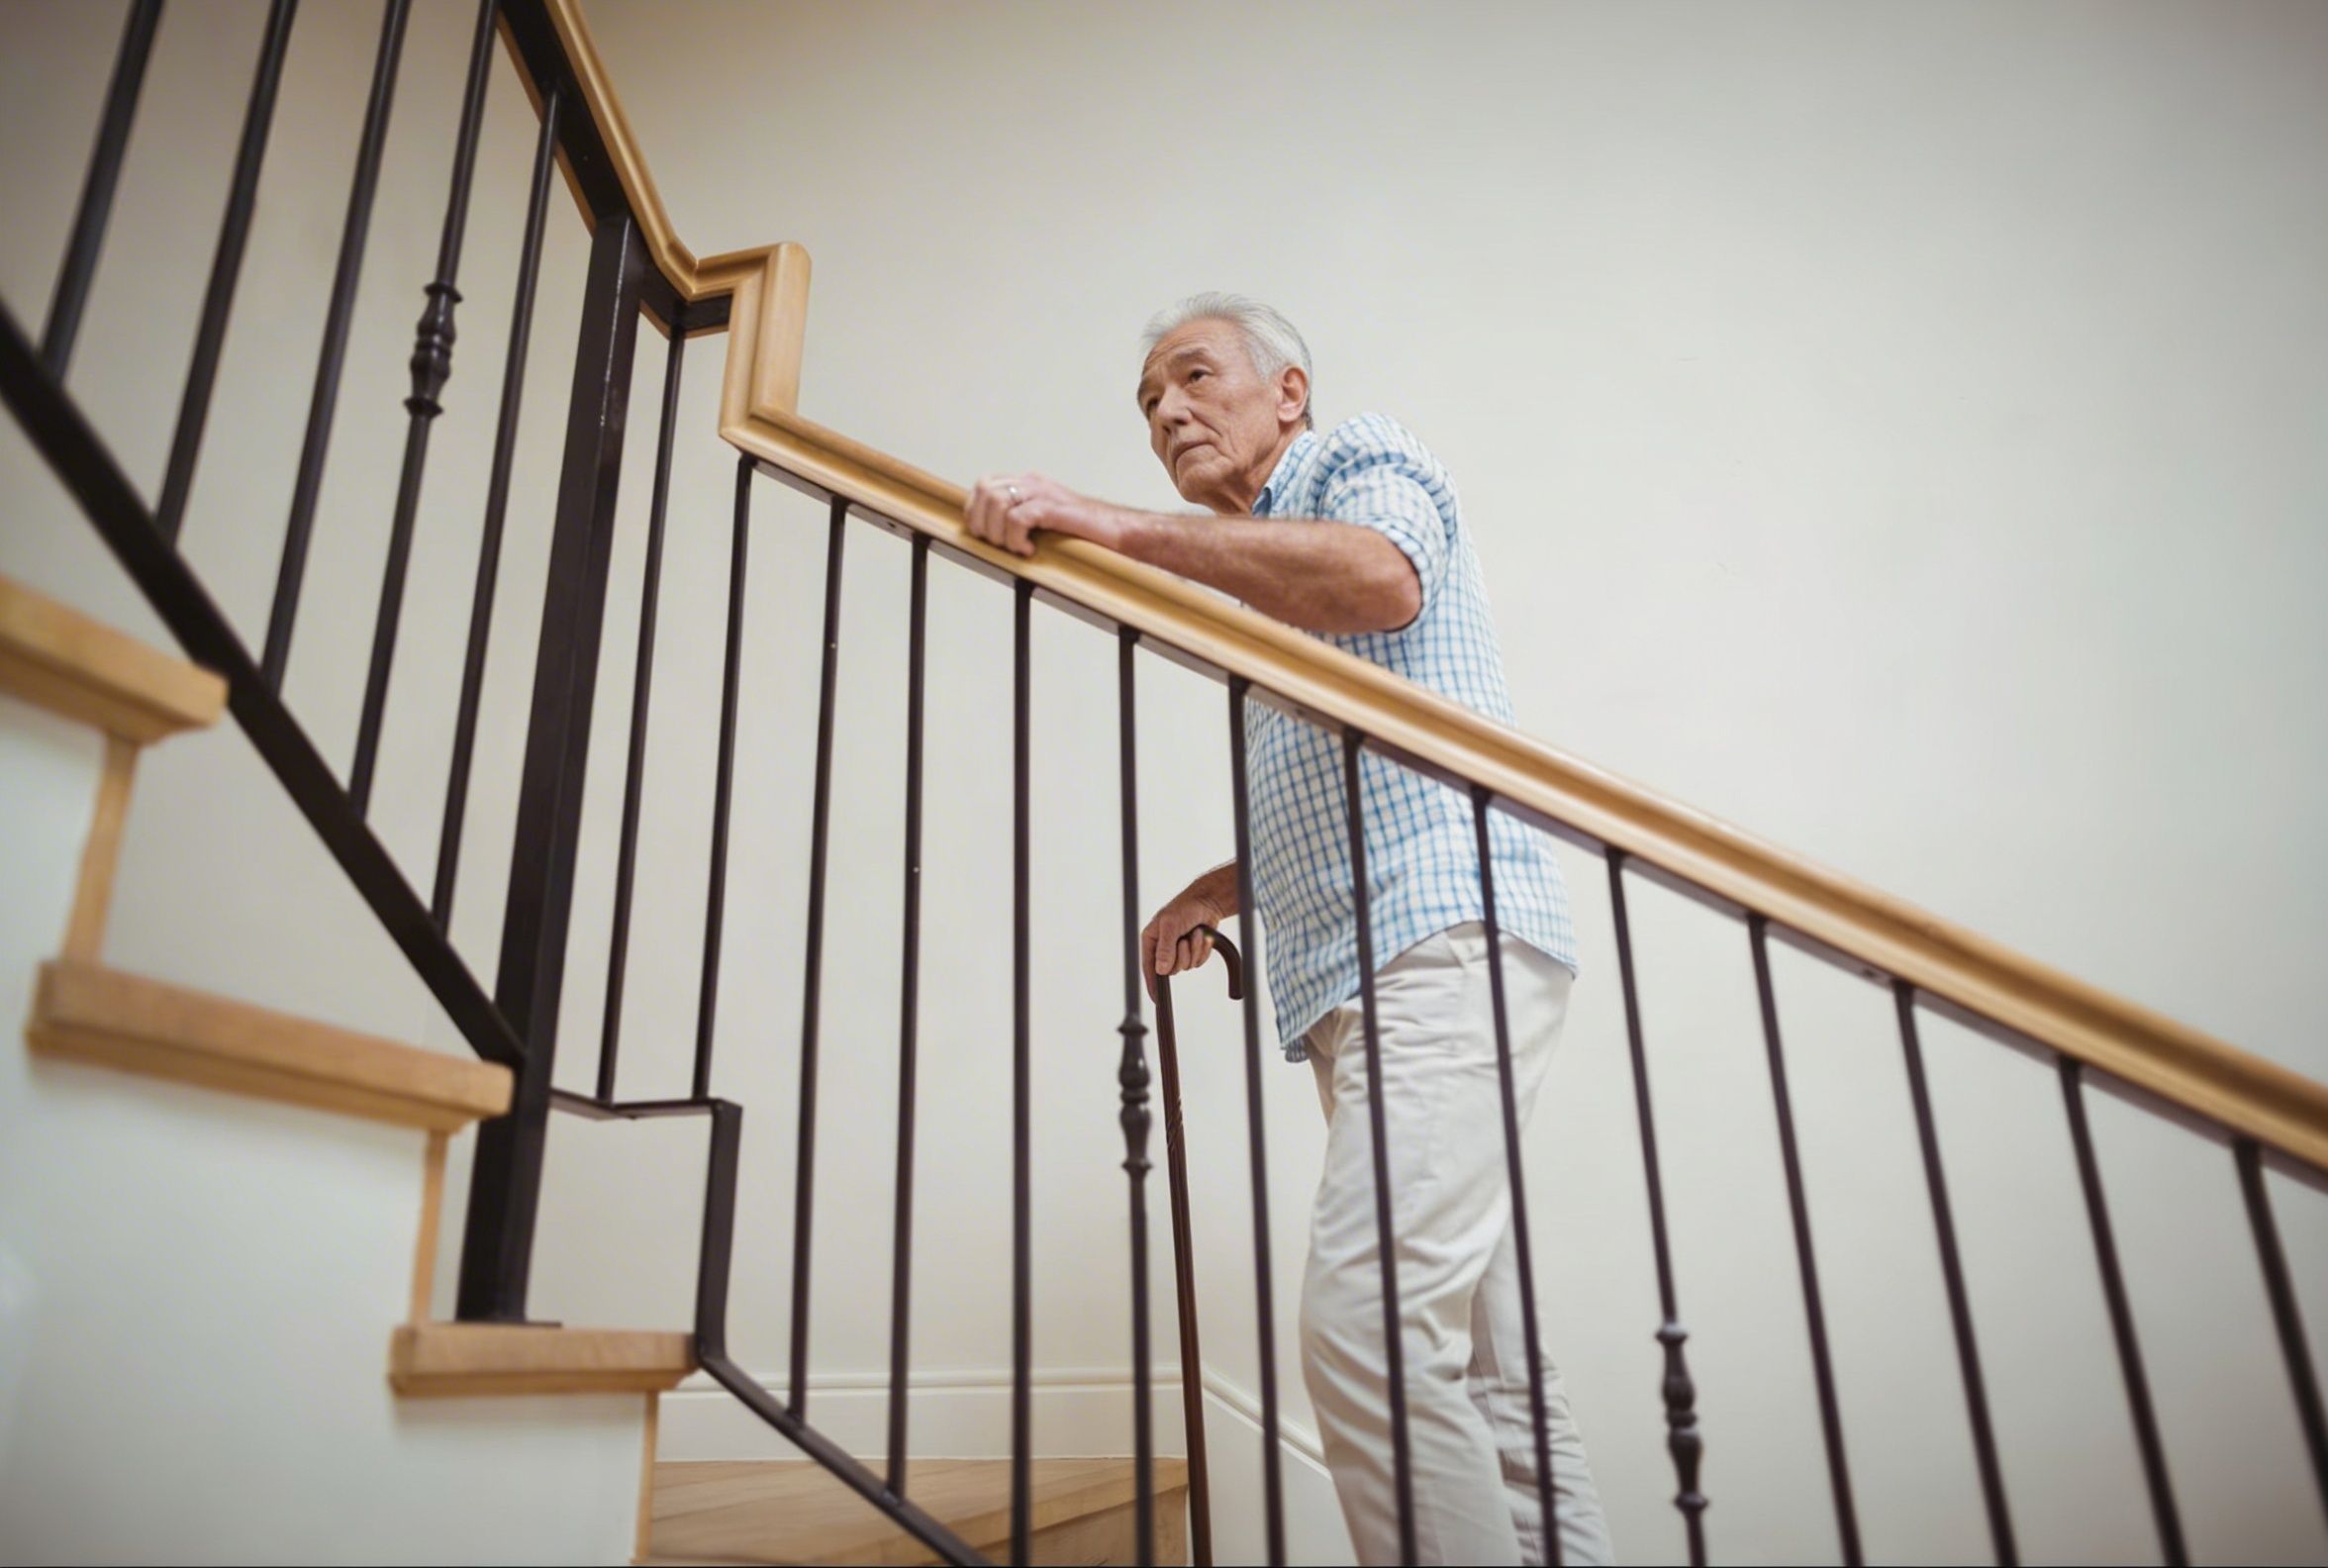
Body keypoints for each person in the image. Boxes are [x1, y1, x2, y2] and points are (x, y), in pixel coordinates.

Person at [964, 293, 1610, 1567]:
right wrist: (1225, 883)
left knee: (1366, 1328)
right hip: (1374, 972)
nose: (1167, 414)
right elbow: (1356, 769)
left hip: (1441, 938)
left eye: (1194, 378)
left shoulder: (1359, 459)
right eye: (1148, 405)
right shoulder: (1257, 579)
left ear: (1289, 395)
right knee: (1492, 1379)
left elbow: (1382, 582)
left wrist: (1106, 522)